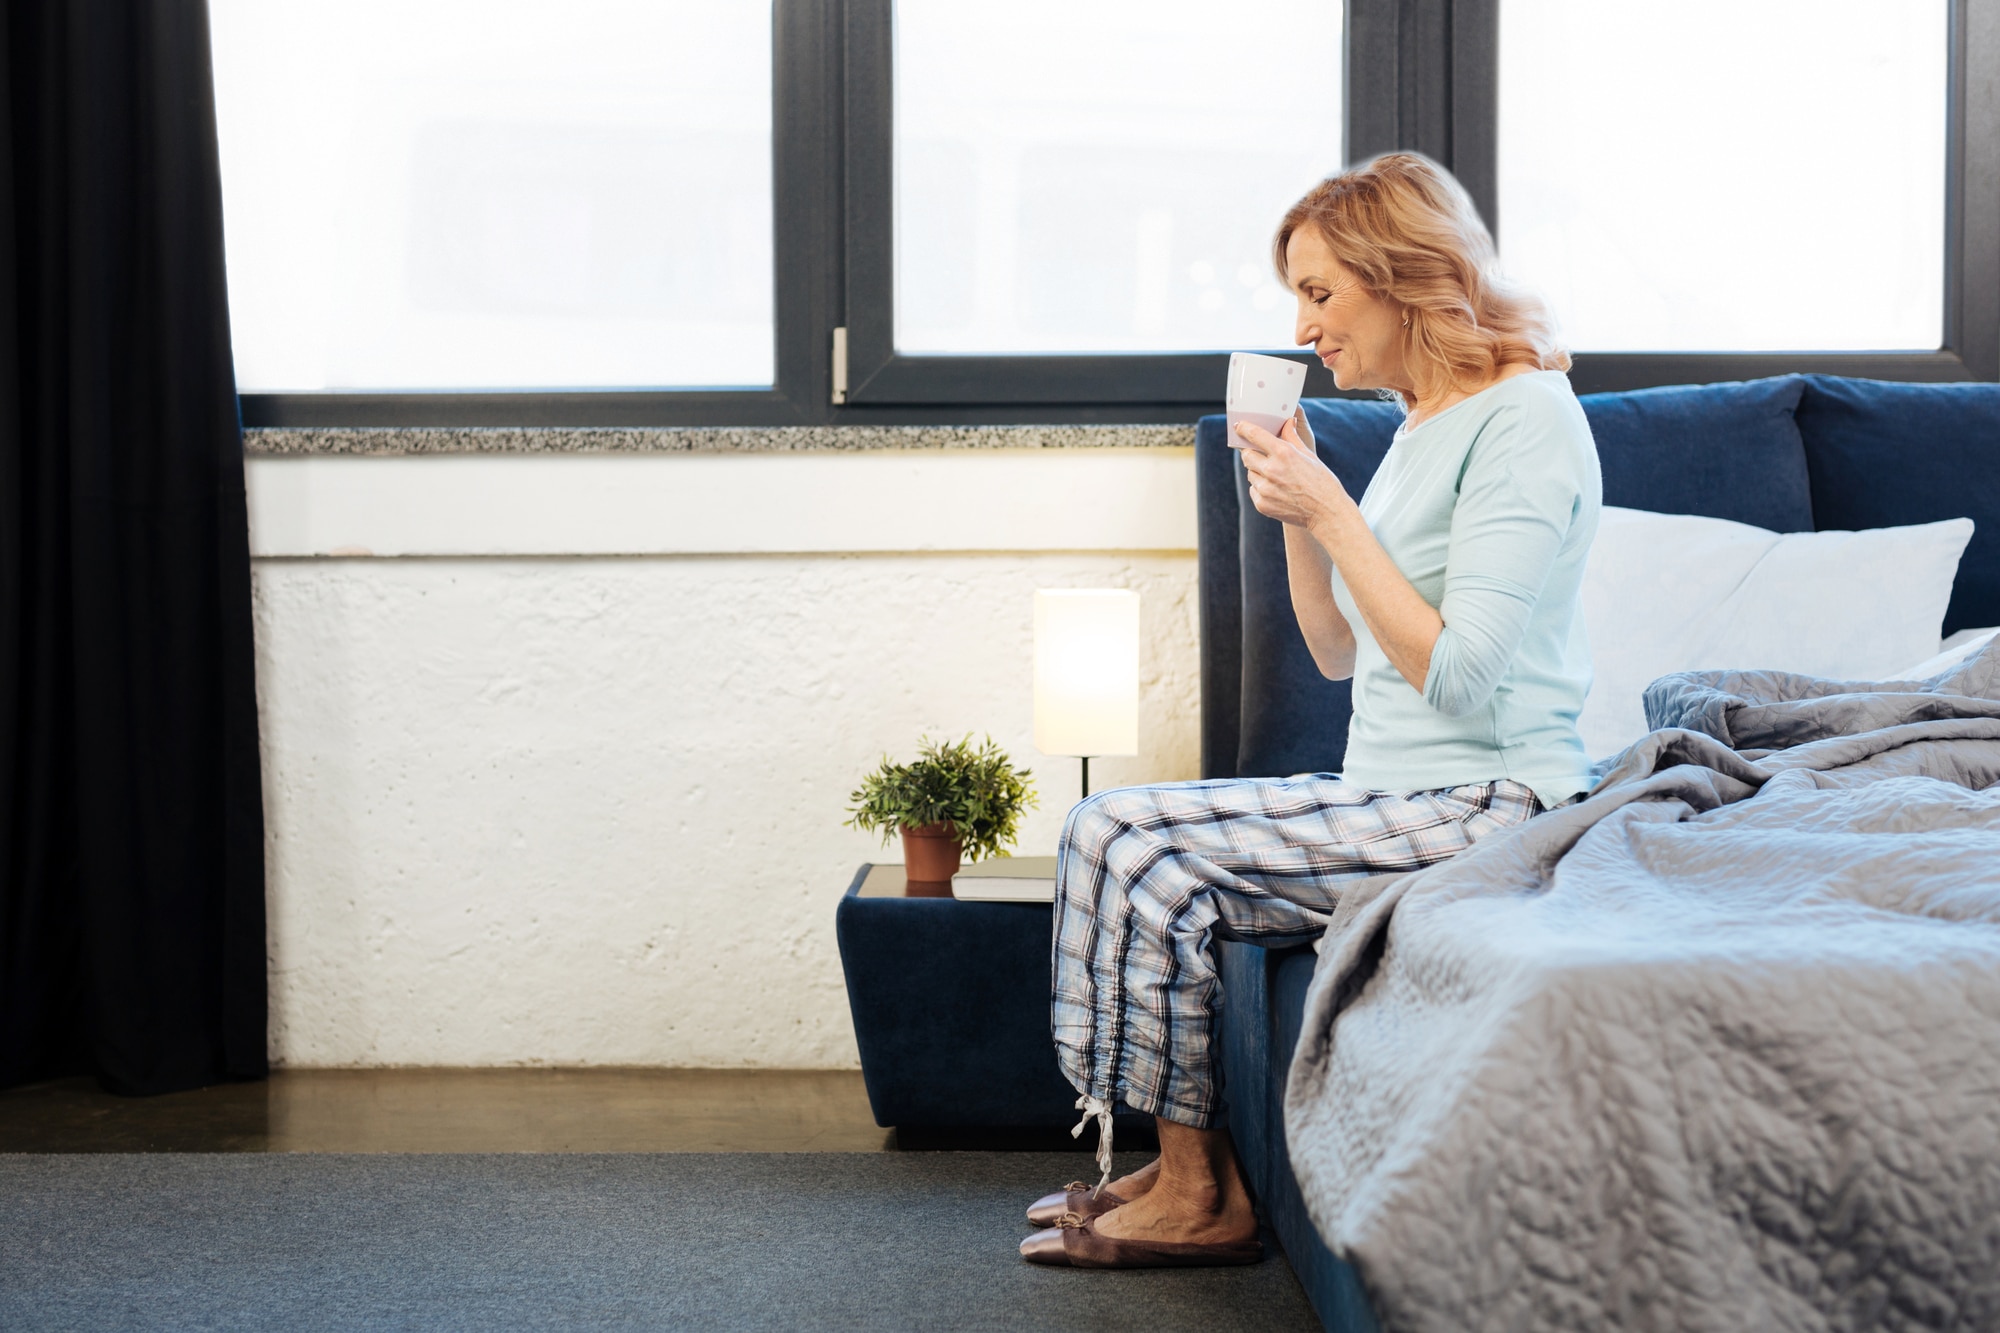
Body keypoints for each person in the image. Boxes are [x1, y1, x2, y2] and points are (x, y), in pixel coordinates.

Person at [1019, 152, 1601, 1268]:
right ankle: (1166, 1160)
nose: (1305, 326)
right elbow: (1338, 653)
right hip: (1388, 790)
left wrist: (1334, 513)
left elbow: (1460, 675)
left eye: (1322, 294)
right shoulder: (1423, 421)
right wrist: (1294, 505)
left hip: (1490, 799)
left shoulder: (1522, 420)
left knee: (1131, 842)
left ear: (1402, 278)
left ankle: (1199, 1190)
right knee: (1111, 828)